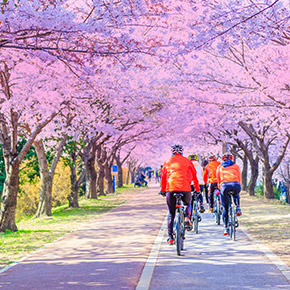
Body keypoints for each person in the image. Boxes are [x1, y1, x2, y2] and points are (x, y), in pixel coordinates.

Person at [159, 145, 200, 245]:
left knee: (171, 213)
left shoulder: (167, 162)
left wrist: (163, 190)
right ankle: (186, 217)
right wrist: (197, 189)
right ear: (182, 152)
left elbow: (163, 177)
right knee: (188, 203)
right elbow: (194, 176)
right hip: (185, 189)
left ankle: (170, 237)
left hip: (171, 189)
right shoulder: (188, 161)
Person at [216, 152, 242, 236]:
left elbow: (218, 180)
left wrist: (220, 189)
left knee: (225, 208)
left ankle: (226, 228)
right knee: (236, 193)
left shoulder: (219, 167)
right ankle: (238, 207)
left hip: (224, 186)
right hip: (236, 184)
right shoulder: (236, 166)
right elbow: (239, 177)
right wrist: (238, 185)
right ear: (231, 158)